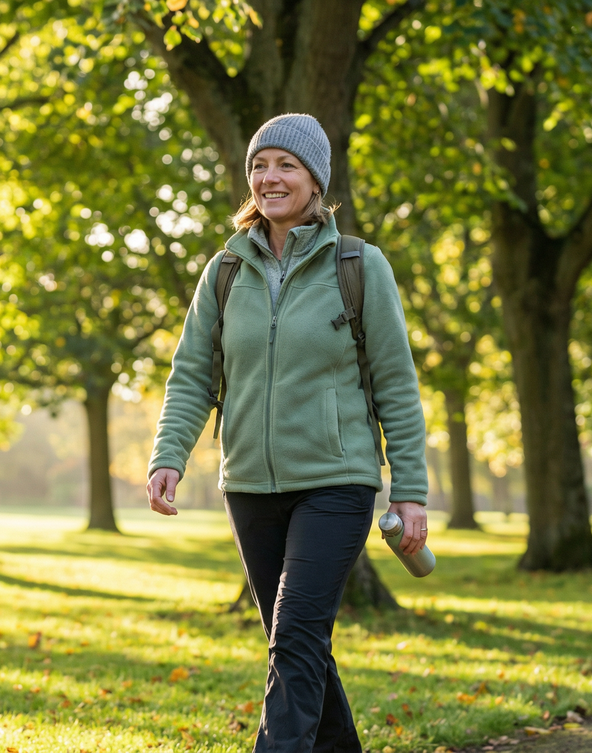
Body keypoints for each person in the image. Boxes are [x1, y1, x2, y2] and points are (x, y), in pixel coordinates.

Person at [145, 113, 429, 752]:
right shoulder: (224, 272)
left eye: (286, 166)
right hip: (248, 483)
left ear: (315, 179)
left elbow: (396, 385)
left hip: (337, 481)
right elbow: (192, 374)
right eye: (259, 165)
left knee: (297, 632)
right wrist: (170, 453)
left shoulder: (359, 264)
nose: (269, 177)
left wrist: (409, 489)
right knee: (297, 644)